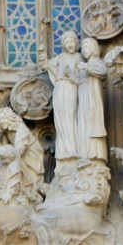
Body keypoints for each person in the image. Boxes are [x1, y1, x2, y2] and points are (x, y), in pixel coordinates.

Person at [45, 31, 81, 160]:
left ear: (76, 43)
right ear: (63, 44)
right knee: (60, 118)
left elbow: (82, 76)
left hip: (71, 87)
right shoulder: (59, 57)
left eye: (72, 41)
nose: (70, 44)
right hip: (60, 87)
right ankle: (63, 150)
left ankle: (73, 148)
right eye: (67, 42)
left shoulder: (78, 57)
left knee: (70, 116)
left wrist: (72, 75)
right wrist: (42, 56)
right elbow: (46, 65)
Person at [0, 107, 43, 203]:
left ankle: (27, 194)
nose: (0, 122)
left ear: (9, 118)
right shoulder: (6, 131)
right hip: (15, 155)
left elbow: (19, 150)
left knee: (27, 179)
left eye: (2, 119)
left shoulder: (21, 129)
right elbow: (2, 149)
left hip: (29, 157)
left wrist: (9, 155)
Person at [75, 37, 108, 161]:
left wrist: (87, 67)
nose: (84, 51)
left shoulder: (97, 62)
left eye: (86, 48)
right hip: (83, 100)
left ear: (94, 48)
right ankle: (85, 154)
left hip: (93, 99)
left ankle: (96, 155)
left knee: (93, 123)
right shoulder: (84, 67)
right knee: (84, 124)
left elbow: (103, 71)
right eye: (82, 49)